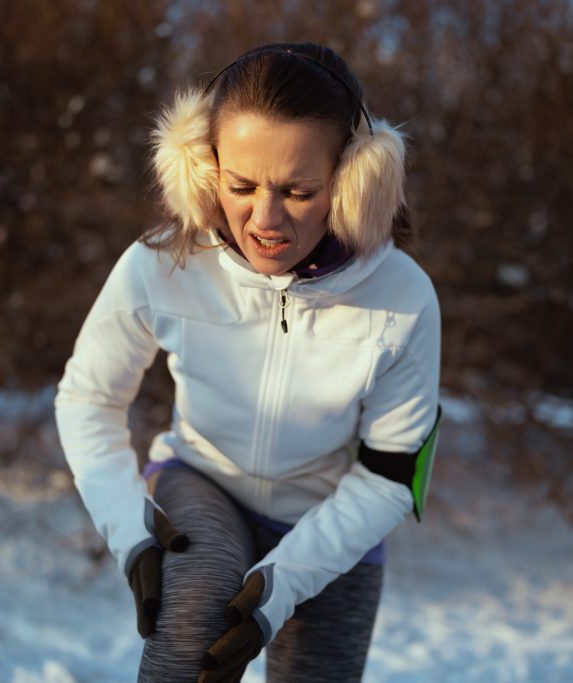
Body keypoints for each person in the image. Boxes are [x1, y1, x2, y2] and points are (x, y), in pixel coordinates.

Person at [55, 42, 441, 683]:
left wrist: (287, 582)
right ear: (203, 171)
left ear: (353, 182)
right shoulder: (162, 263)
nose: (265, 219)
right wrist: (129, 531)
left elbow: (391, 471)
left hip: (334, 518)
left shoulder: (403, 298)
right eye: (240, 185)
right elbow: (88, 399)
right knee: (191, 637)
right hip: (203, 483)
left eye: (298, 190)